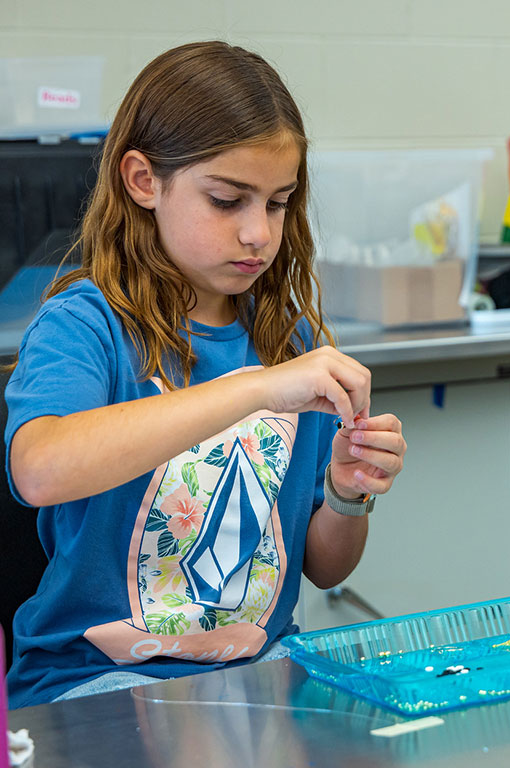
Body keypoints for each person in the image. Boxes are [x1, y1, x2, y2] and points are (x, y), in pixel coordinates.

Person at [3, 41, 407, 707]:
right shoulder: (85, 324)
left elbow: (326, 566)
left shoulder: (289, 338)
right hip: (97, 683)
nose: (258, 233)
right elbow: (40, 469)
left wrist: (346, 492)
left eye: (278, 204)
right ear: (143, 181)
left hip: (259, 676)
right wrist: (251, 388)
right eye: (228, 200)